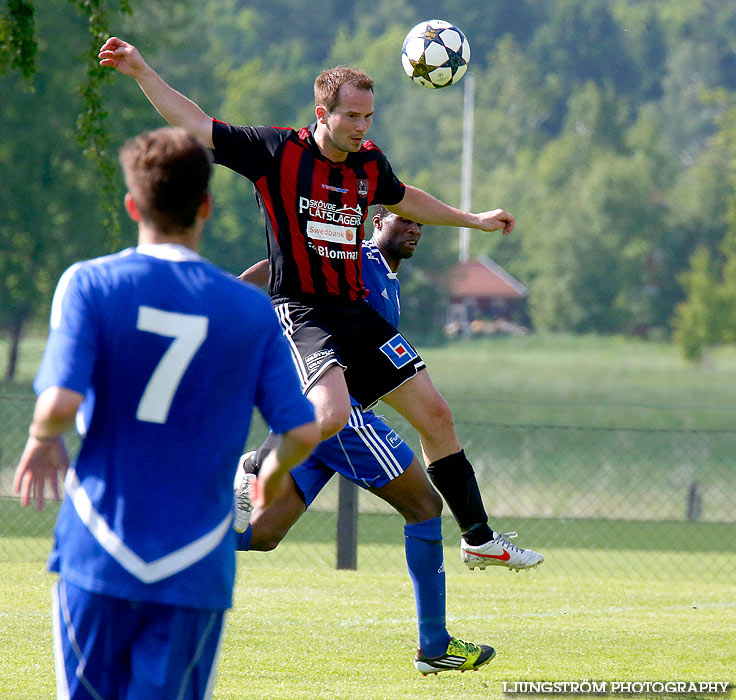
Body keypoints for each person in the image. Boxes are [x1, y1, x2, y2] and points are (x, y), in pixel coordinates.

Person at [97, 37, 543, 573]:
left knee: (438, 414)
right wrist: (142, 70)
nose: (362, 127)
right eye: (352, 116)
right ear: (322, 113)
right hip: (303, 310)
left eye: (369, 117)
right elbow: (196, 124)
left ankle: (478, 537)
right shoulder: (276, 152)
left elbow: (402, 196)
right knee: (330, 414)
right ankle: (253, 467)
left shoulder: (369, 163)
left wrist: (473, 220)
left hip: (358, 313)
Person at [13, 127, 319, 700]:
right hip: (197, 558)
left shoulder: (90, 284)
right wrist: (273, 476)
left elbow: (59, 403)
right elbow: (302, 427)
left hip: (99, 546)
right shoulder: (249, 309)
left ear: (133, 205)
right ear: (205, 206)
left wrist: (41, 438)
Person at [235, 206, 505, 675]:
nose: (414, 228)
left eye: (419, 224)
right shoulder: (357, 255)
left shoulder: (387, 281)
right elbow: (276, 268)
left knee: (260, 536)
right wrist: (232, 299)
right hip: (342, 418)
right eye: (404, 220)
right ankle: (435, 646)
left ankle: (160, 537)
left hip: (324, 421)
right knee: (424, 505)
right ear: (377, 221)